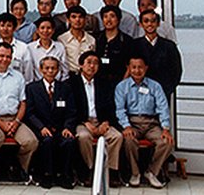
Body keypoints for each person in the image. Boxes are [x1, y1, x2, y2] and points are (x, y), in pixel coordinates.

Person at [0, 43, 38, 182]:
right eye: (1, 56)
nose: (5, 59)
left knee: (31, 141)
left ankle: (21, 168)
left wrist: (16, 122)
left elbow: (23, 102)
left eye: (8, 57)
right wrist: (1, 124)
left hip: (14, 118)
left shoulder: (18, 77)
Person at [114, 55, 173, 189]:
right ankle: (135, 173)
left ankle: (152, 172)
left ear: (146, 68)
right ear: (128, 68)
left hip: (151, 123)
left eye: (140, 67)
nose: (137, 70)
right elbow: (120, 109)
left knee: (167, 141)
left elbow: (163, 107)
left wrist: (165, 128)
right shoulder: (121, 87)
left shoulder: (155, 86)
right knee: (128, 140)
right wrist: (126, 126)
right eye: (133, 67)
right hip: (132, 122)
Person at [69, 51, 123, 188]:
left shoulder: (104, 82)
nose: (92, 66)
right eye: (88, 62)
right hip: (82, 121)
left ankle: (111, 171)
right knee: (83, 137)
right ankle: (90, 170)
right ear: (81, 65)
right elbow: (71, 108)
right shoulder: (72, 83)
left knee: (116, 136)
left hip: (101, 121)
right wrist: (85, 123)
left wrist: (105, 122)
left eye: (95, 63)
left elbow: (111, 105)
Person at [24, 56, 78, 189]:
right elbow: (30, 113)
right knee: (47, 141)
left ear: (58, 70)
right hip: (40, 128)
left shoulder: (65, 88)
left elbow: (72, 111)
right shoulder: (32, 88)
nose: (50, 71)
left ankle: (64, 175)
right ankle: (47, 175)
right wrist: (41, 127)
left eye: (53, 68)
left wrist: (67, 127)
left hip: (60, 128)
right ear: (41, 69)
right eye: (47, 68)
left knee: (69, 141)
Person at [132, 9, 183, 102]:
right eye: (146, 21)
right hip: (139, 94)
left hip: (162, 93)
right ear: (141, 24)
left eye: (153, 21)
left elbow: (176, 70)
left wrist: (167, 90)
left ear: (158, 23)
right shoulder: (134, 45)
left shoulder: (169, 46)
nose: (150, 24)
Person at [94, 5, 132, 89]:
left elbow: (130, 65)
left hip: (119, 82)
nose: (108, 20)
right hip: (97, 83)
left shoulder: (127, 40)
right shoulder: (96, 38)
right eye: (105, 17)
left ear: (118, 19)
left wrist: (123, 83)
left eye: (112, 16)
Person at [26, 17, 67, 83]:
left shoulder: (60, 47)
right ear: (37, 30)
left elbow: (64, 69)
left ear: (53, 30)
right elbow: (29, 70)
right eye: (42, 28)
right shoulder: (30, 47)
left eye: (48, 28)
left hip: (57, 85)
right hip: (38, 86)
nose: (45, 31)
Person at [58, 6, 96, 76]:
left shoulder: (91, 40)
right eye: (74, 17)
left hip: (86, 76)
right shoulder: (61, 39)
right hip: (69, 76)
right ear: (68, 20)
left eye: (80, 17)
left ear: (85, 19)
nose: (77, 20)